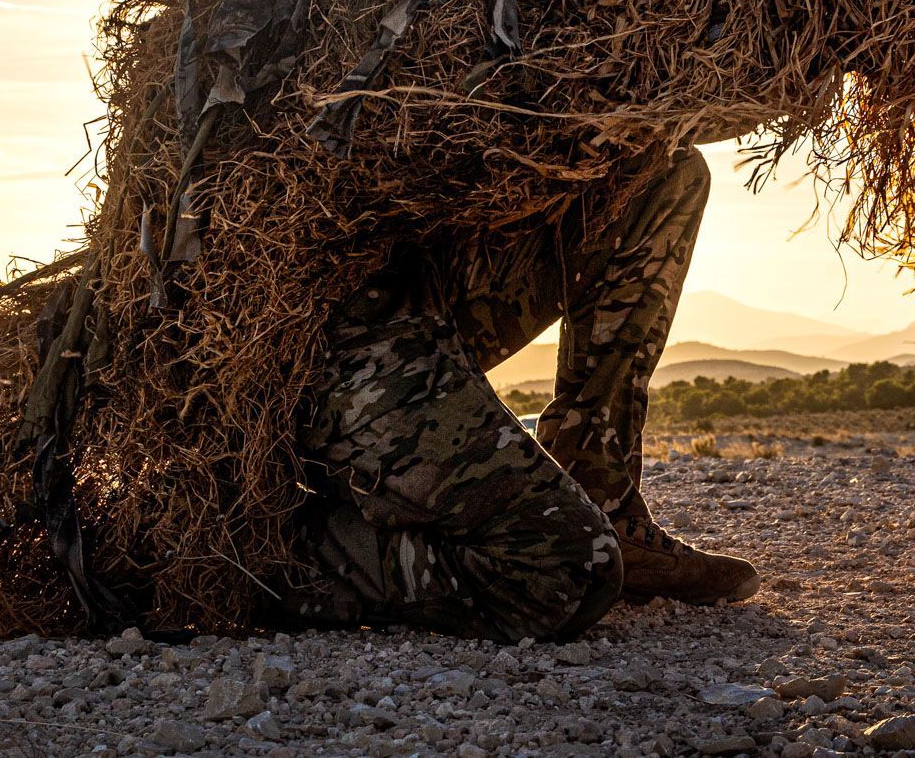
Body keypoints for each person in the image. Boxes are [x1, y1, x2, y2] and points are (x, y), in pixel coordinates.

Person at [285, 140, 760, 642]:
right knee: (569, 571)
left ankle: (602, 491)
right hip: (332, 334)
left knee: (665, 172)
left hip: (423, 268)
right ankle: (267, 552)